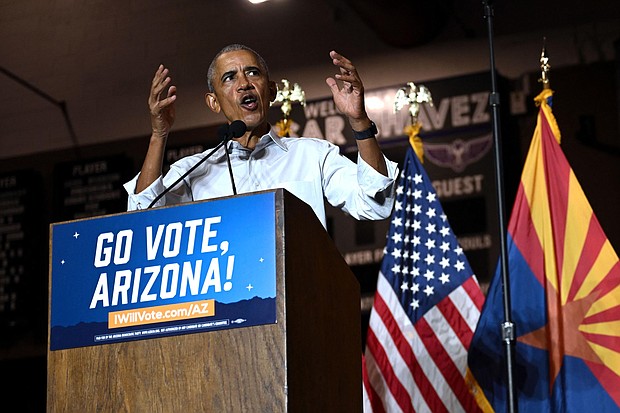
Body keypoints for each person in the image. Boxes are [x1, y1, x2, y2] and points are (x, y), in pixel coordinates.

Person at [124, 44, 399, 228]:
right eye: (229, 78)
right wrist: (159, 135)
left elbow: (374, 204)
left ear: (271, 91)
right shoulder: (194, 170)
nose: (244, 84)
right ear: (214, 103)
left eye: (252, 73)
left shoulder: (313, 154)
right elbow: (141, 221)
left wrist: (359, 120)